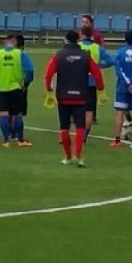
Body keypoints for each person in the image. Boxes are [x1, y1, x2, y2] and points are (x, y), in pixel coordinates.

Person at [44, 31, 105, 168]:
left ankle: (67, 157)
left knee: (64, 127)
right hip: (80, 96)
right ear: (78, 40)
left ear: (65, 40)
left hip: (63, 96)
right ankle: (78, 156)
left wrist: (48, 91)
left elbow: (48, 74)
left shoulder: (58, 55)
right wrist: (101, 90)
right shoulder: (85, 55)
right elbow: (97, 74)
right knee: (80, 127)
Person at [0, 34, 35, 147]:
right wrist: (26, 83)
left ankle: (6, 140)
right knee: (17, 114)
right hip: (16, 88)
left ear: (5, 42)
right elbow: (30, 70)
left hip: (1, 88)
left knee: (3, 114)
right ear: (15, 42)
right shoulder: (20, 54)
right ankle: (20, 140)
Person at [79, 25, 114, 137]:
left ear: (82, 34)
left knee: (78, 108)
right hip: (92, 82)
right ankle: (85, 134)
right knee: (89, 110)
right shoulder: (97, 48)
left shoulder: (77, 46)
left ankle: (79, 132)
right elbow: (111, 61)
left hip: (78, 81)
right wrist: (99, 66)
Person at [10, 34, 29, 143]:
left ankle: (9, 133)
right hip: (19, 87)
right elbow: (29, 72)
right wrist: (25, 85)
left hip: (5, 85)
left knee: (7, 111)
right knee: (18, 112)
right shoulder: (23, 56)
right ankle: (18, 135)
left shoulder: (4, 54)